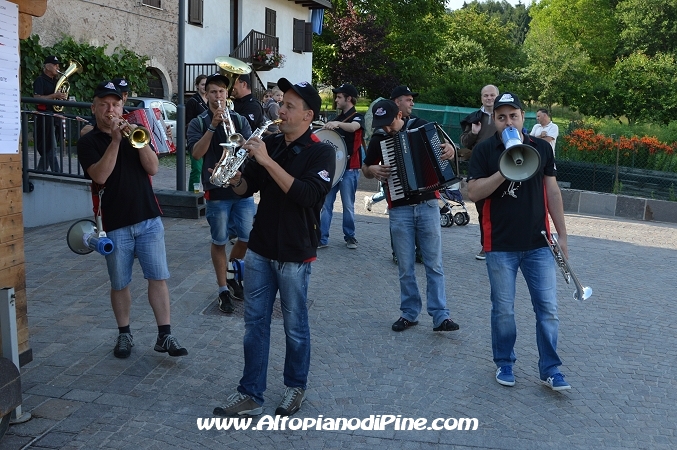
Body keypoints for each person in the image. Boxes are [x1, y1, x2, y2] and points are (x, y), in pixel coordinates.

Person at [211, 79, 334, 418]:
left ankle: (296, 387)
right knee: (255, 323)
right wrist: (234, 175)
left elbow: (307, 195)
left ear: (308, 115)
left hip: (295, 252)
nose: (281, 110)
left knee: (295, 326)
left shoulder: (322, 151)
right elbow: (247, 187)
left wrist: (265, 161)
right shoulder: (274, 143)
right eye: (282, 104)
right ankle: (250, 392)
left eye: (290, 106)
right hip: (261, 249)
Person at [466, 92, 570, 391]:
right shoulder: (486, 150)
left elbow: (552, 193)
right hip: (500, 244)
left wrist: (562, 235)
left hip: (538, 243)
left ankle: (550, 369)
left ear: (523, 117)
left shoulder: (541, 148)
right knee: (504, 309)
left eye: (513, 116)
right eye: (501, 117)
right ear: (494, 120)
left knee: (547, 309)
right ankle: (505, 362)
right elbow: (473, 193)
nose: (508, 121)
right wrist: (504, 169)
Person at [77, 81, 188, 359]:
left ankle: (165, 334)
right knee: (120, 283)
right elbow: (99, 175)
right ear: (94, 108)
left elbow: (152, 167)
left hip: (148, 217)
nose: (110, 109)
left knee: (158, 277)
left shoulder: (136, 132)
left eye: (115, 104)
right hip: (114, 222)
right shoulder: (88, 141)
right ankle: (124, 333)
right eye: (104, 104)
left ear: (122, 106)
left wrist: (134, 139)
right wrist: (115, 141)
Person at [362, 99, 460, 333]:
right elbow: (366, 168)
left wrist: (450, 149)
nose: (385, 128)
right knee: (405, 266)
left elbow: (449, 149)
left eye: (388, 123)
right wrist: (372, 170)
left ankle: (440, 316)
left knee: (434, 264)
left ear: (399, 115)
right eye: (381, 124)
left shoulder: (422, 126)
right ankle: (409, 313)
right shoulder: (379, 140)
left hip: (427, 203)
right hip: (399, 207)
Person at [187, 73, 254, 313]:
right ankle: (223, 288)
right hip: (216, 190)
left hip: (241, 188)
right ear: (206, 96)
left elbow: (247, 150)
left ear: (227, 94)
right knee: (220, 240)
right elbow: (196, 154)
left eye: (222, 92)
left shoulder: (240, 119)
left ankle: (233, 273)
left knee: (246, 238)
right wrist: (213, 126)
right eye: (213, 92)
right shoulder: (198, 122)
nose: (218, 96)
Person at [318, 83, 364, 249]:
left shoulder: (358, 117)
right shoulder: (335, 119)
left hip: (350, 168)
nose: (336, 100)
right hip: (334, 168)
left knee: (348, 205)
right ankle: (322, 238)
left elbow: (354, 127)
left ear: (348, 99)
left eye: (339, 97)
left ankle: (350, 236)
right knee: (326, 204)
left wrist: (337, 125)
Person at [460, 84, 499, 261]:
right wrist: (474, 133)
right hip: (480, 168)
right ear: (481, 98)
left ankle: (501, 245)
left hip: (502, 167)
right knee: (483, 210)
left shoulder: (504, 115)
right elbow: (465, 143)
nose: (489, 98)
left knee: (503, 209)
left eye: (492, 95)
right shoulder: (475, 118)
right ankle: (486, 246)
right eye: (486, 96)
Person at [33, 55, 66, 172]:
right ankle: (57, 173)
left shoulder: (56, 82)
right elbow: (37, 98)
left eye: (58, 65)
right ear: (47, 67)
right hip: (44, 117)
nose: (58, 67)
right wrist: (54, 96)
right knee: (51, 147)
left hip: (55, 117)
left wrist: (62, 98)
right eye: (55, 65)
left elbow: (58, 100)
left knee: (50, 147)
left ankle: (39, 171)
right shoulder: (40, 80)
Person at [186, 74, 209, 190]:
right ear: (197, 86)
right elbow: (187, 122)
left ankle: (207, 192)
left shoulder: (210, 100)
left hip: (209, 138)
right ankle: (193, 194)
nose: (205, 87)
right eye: (202, 84)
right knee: (197, 169)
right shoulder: (193, 101)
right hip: (197, 138)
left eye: (206, 84)